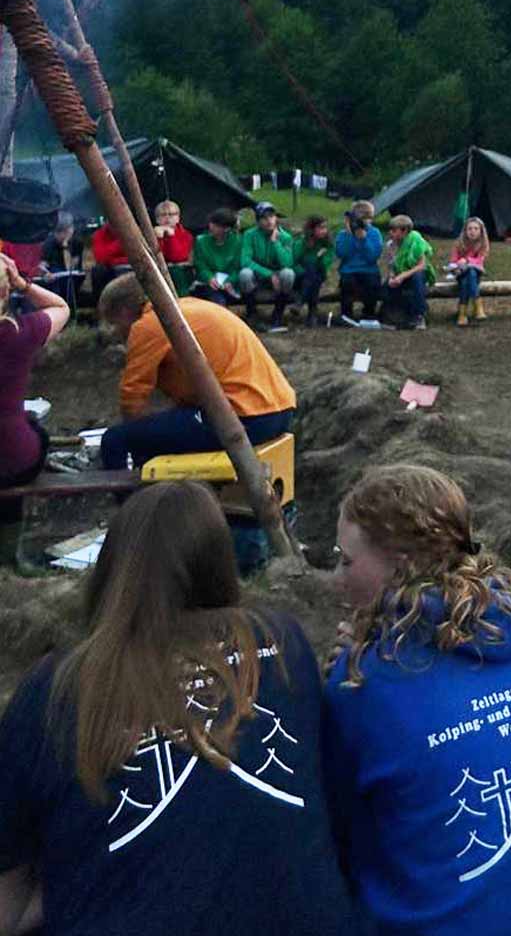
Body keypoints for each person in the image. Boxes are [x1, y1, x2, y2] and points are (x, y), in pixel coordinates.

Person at [0, 481, 362, 936]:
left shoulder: (52, 690)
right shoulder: (279, 641)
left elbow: (7, 907)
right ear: (219, 564)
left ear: (112, 569)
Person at [323, 465, 511, 936]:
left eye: (346, 560)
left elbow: (341, 836)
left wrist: (356, 665)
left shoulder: (363, 684)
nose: (337, 578)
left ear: (399, 566)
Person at [97, 273, 296, 472]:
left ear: (123, 311)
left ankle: (130, 501)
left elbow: (132, 397)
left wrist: (134, 433)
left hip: (243, 418)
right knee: (157, 431)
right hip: (278, 409)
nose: (116, 332)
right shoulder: (186, 307)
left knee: (115, 440)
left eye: (113, 323)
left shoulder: (150, 325)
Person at [0, 252, 71, 570]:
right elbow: (61, 308)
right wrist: (23, 284)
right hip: (13, 458)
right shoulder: (18, 332)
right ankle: (9, 556)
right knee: (26, 441)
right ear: (4, 291)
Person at [239, 202, 296, 332]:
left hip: (278, 277)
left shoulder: (285, 237)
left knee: (288, 273)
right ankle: (252, 313)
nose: (269, 221)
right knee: (245, 274)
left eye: (271, 216)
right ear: (258, 221)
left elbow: (287, 263)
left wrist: (276, 243)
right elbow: (245, 261)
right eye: (264, 218)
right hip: (258, 275)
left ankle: (278, 314)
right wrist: (269, 274)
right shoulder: (249, 235)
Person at [383, 215, 435, 331]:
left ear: (404, 231)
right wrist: (392, 277)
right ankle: (393, 315)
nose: (391, 233)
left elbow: (422, 265)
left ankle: (419, 315)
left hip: (417, 273)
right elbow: (391, 266)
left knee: (416, 279)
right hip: (400, 274)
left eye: (394, 230)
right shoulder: (390, 246)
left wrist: (403, 276)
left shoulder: (416, 241)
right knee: (387, 285)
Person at [335, 200, 384, 324]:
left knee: (372, 283)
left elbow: (372, 257)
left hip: (369, 269)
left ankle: (368, 312)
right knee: (347, 283)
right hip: (349, 270)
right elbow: (342, 253)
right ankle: (346, 314)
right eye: (364, 217)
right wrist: (349, 234)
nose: (368, 221)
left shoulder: (374, 233)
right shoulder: (343, 234)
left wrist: (364, 240)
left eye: (370, 217)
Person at [191, 208, 243, 306]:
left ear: (226, 229)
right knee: (217, 299)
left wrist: (229, 281)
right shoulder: (201, 241)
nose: (211, 226)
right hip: (208, 284)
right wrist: (209, 278)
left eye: (215, 225)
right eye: (211, 223)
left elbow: (237, 267)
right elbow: (200, 265)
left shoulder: (237, 241)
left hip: (230, 285)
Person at [35, 213, 84, 311]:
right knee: (55, 278)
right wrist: (45, 272)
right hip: (53, 276)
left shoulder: (77, 242)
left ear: (71, 229)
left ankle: (69, 310)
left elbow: (70, 267)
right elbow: (42, 265)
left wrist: (65, 246)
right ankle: (58, 310)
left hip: (72, 275)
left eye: (65, 231)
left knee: (69, 280)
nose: (62, 235)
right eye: (59, 232)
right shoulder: (49, 244)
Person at [293, 214, 334, 327]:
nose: (324, 231)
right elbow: (294, 262)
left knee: (314, 274)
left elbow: (326, 264)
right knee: (312, 274)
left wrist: (318, 258)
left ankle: (301, 302)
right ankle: (312, 313)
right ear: (312, 229)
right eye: (320, 228)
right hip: (300, 276)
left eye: (325, 228)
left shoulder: (327, 244)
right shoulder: (301, 243)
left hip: (318, 274)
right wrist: (316, 257)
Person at [449, 216, 490, 326]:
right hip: (460, 273)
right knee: (465, 280)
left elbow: (479, 262)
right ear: (465, 231)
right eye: (470, 229)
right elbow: (453, 262)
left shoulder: (483, 244)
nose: (473, 231)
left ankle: (462, 314)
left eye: (476, 229)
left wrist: (466, 260)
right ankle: (478, 307)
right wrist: (458, 264)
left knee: (470, 272)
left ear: (481, 231)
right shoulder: (458, 243)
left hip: (476, 273)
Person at [153, 199, 195, 296]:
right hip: (160, 270)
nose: (167, 218)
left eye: (171, 214)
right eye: (163, 215)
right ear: (157, 219)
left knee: (176, 272)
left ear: (178, 218)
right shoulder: (152, 233)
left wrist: (171, 237)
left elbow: (177, 257)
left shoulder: (186, 235)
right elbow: (156, 256)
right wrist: (159, 239)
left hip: (181, 271)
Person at [90, 220, 129, 301]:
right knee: (98, 270)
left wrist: (114, 259)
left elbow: (136, 255)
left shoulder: (131, 231)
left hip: (131, 268)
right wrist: (120, 244)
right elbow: (100, 257)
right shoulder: (99, 235)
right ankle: (100, 304)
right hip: (110, 271)